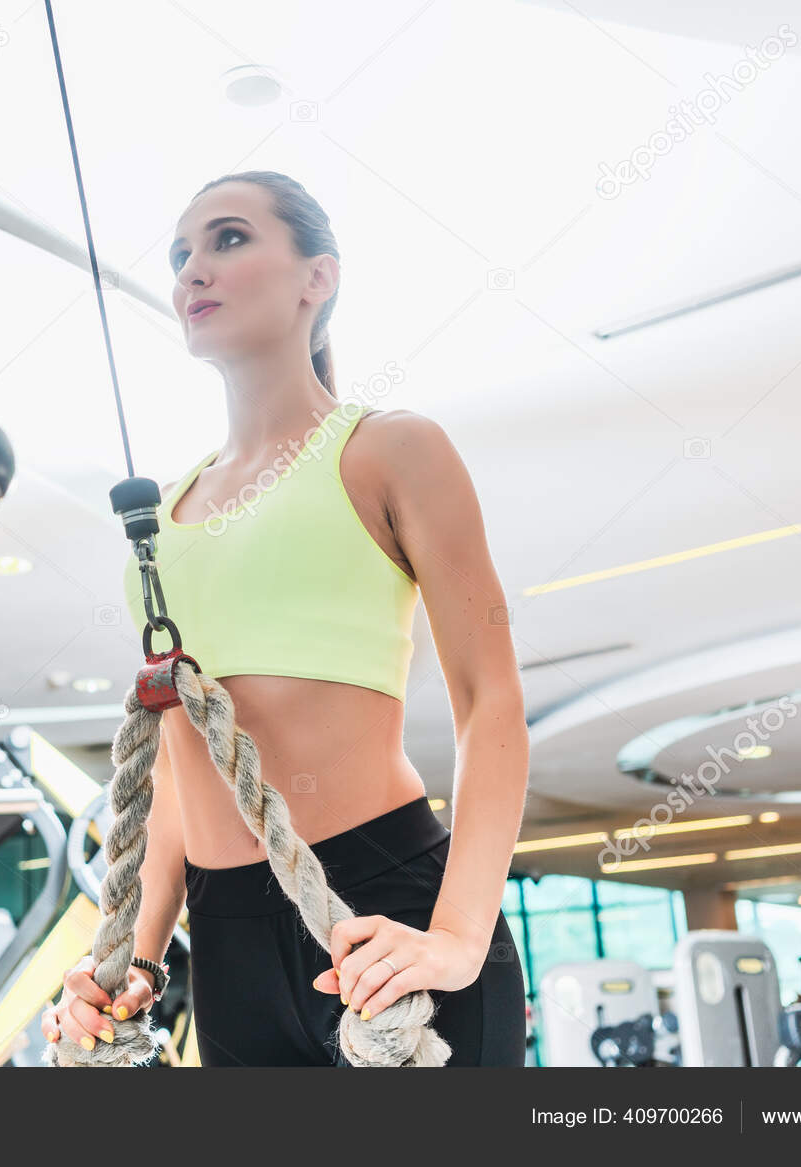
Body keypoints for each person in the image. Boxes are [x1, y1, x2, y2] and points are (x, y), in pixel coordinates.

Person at [41, 171, 528, 1066]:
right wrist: (134, 957)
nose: (193, 270)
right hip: (227, 938)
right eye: (180, 254)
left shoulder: (391, 448)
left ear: (318, 278)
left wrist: (457, 935)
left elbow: (489, 701)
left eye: (228, 239)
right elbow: (186, 774)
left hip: (389, 907)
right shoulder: (160, 517)